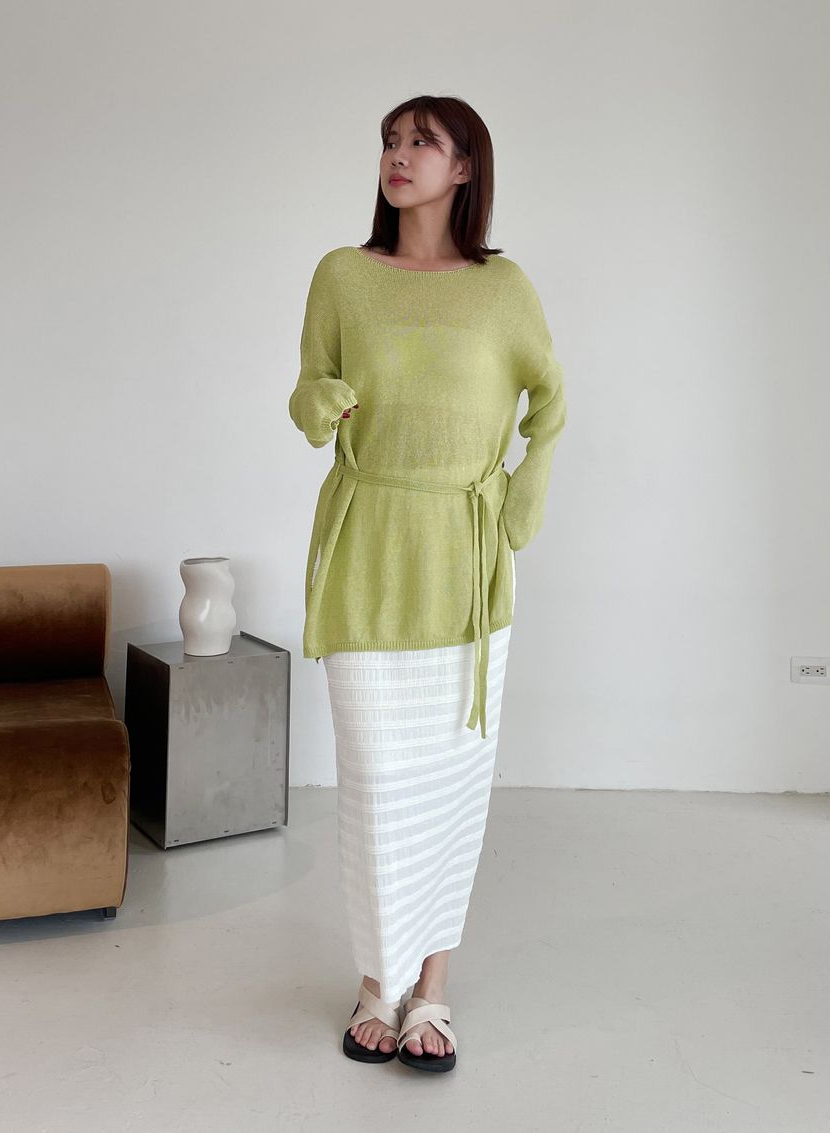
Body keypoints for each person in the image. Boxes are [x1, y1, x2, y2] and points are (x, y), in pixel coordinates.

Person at [288, 94, 567, 1072]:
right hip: (370, 543)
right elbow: (306, 389)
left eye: (422, 142)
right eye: (390, 141)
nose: (398, 155)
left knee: (452, 782)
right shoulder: (342, 274)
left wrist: (523, 495)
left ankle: (430, 987)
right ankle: (379, 976)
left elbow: (551, 398)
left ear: (465, 167)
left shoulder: (503, 288)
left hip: (465, 555)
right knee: (374, 780)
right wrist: (320, 404)